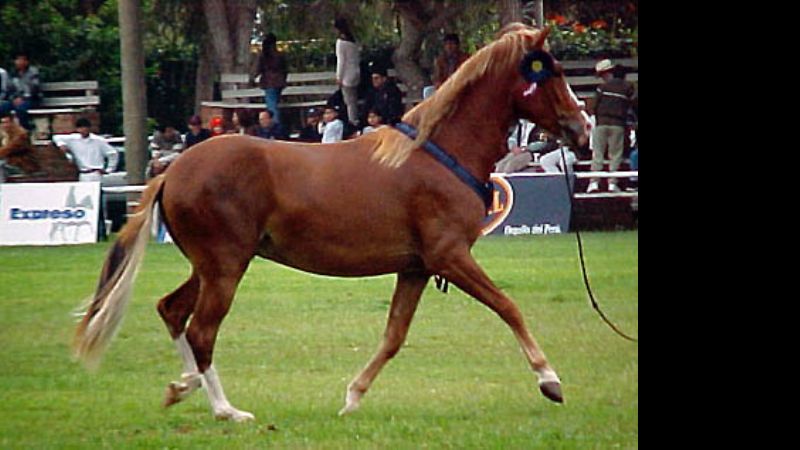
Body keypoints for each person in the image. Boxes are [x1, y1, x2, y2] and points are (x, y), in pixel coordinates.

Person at [587, 59, 636, 193]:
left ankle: (594, 183)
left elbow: (593, 106)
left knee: (598, 154)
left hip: (601, 123)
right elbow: (632, 104)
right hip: (618, 124)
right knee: (615, 155)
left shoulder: (602, 88)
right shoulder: (628, 87)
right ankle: (612, 184)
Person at [53, 117, 118, 182]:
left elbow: (112, 153)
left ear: (89, 128)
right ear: (77, 129)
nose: (83, 131)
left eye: (85, 128)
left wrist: (109, 169)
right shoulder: (73, 139)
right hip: (83, 173)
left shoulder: (98, 140)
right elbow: (56, 137)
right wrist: (61, 145)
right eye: (81, 128)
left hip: (96, 173)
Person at [0, 52, 42, 131]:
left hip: (32, 99)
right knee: (2, 108)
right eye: (17, 60)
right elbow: (9, 89)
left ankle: (27, 129)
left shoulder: (33, 72)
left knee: (20, 109)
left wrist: (23, 98)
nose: (19, 62)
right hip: (15, 100)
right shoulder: (13, 73)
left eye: (22, 60)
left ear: (27, 62)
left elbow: (34, 88)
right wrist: (14, 98)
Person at [253, 33, 288, 125]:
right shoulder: (280, 55)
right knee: (275, 104)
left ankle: (275, 126)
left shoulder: (264, 55)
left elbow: (258, 69)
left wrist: (253, 78)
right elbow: (285, 70)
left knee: (272, 107)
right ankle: (277, 125)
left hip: (269, 83)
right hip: (279, 82)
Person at [425, 33, 470, 99]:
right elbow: (437, 77)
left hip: (460, 86)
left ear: (457, 45)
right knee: (428, 91)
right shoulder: (440, 60)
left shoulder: (465, 58)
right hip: (444, 86)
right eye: (447, 44)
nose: (449, 46)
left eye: (452, 44)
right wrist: (439, 84)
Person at [334, 17, 361, 127]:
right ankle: (354, 119)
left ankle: (352, 121)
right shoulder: (352, 41)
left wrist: (339, 77)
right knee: (353, 100)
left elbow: (341, 61)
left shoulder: (341, 43)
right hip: (355, 72)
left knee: (349, 102)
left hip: (346, 75)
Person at [0, 111, 41, 177]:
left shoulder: (21, 135)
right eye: (2, 123)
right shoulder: (3, 134)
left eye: (7, 122)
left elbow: (7, 149)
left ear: (13, 122)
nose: (5, 125)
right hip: (8, 164)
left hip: (22, 166)